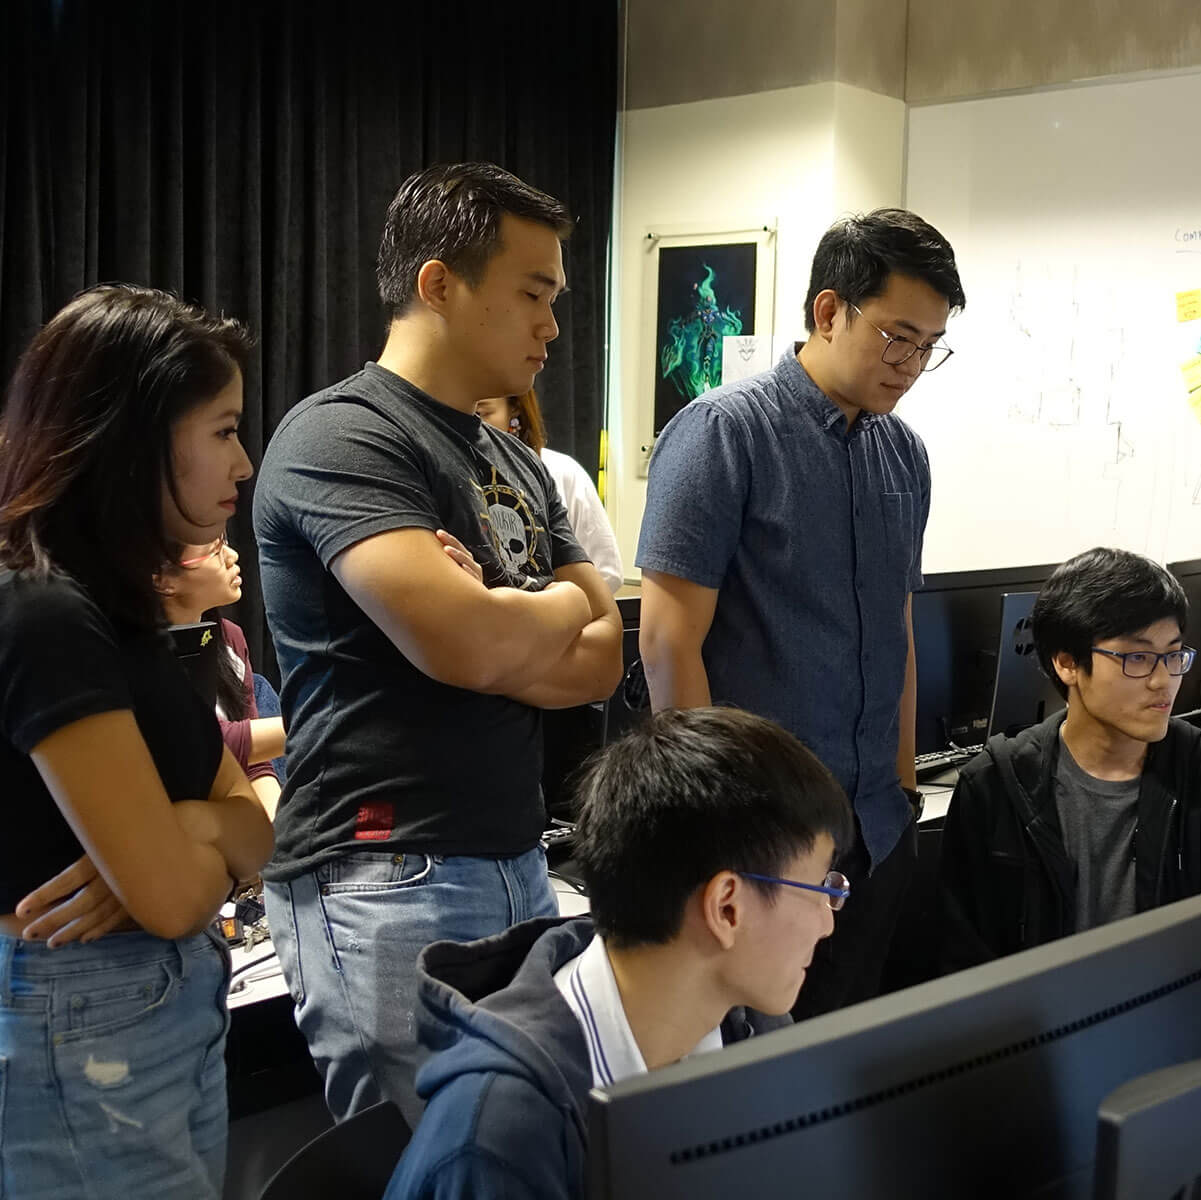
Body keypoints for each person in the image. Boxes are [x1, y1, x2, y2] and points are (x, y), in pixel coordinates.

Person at [253, 162, 623, 1124]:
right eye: (533, 295)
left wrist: (507, 617)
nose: (553, 324)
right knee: (421, 1167)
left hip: (513, 856)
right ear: (439, 284)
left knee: (516, 1156)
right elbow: (465, 645)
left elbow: (604, 657)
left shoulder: (510, 457)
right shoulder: (343, 435)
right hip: (384, 870)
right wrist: (542, 610)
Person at [636, 209, 964, 1017]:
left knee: (839, 1070)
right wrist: (717, 830)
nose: (913, 366)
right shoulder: (722, 435)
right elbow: (667, 642)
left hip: (874, 831)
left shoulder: (905, 455)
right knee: (752, 1083)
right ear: (828, 311)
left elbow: (898, 630)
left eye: (930, 346)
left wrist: (902, 780)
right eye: (897, 338)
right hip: (762, 842)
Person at [0, 284, 275, 1197]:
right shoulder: (46, 614)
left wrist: (188, 830)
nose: (244, 461)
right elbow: (164, 896)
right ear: (139, 433)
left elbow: (253, 829)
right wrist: (192, 842)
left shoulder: (118, 609)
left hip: (139, 1013)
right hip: (83, 1016)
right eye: (224, 430)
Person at [384, 706, 852, 1199]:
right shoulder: (502, 1134)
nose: (828, 920)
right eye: (819, 886)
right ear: (727, 908)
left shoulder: (750, 1032)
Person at [937, 548, 1201, 973]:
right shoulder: (994, 785)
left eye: (1173, 655)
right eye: (1136, 658)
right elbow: (961, 964)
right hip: (1033, 1030)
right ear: (1067, 663)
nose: (1163, 681)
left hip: (1177, 1025)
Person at [156, 533, 284, 816]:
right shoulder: (139, 657)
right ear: (163, 580)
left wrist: (278, 839)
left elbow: (255, 764)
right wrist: (313, 728)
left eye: (226, 541)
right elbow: (205, 741)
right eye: (216, 550)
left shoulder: (230, 638)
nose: (232, 556)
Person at [477, 388, 623, 592]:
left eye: (481, 414)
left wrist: (557, 610)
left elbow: (606, 571)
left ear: (515, 409)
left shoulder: (559, 470)